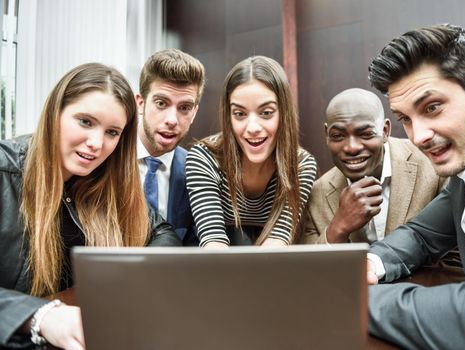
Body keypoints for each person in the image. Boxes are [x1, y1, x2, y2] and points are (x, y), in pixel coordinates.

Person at [0, 63, 181, 350]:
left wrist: (132, 279)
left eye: (112, 132)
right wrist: (41, 317)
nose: (97, 143)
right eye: (85, 121)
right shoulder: (4, 171)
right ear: (54, 113)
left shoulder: (106, 181)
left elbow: (161, 232)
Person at [366, 24, 465, 349]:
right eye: (405, 119)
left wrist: (358, 299)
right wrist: (371, 263)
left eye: (432, 107)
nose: (417, 136)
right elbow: (421, 234)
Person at [186, 55, 317, 247]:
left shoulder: (300, 165)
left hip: (271, 270)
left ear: (284, 113)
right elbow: (213, 243)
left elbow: (277, 241)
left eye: (266, 113)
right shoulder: (204, 157)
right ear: (228, 116)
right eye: (240, 114)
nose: (253, 127)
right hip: (216, 270)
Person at [301, 88, 446, 244]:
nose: (351, 148)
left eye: (365, 134)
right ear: (327, 135)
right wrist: (338, 228)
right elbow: (311, 266)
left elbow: (455, 255)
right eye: (338, 136)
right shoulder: (316, 194)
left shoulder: (432, 164)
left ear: (384, 131)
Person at [136, 49, 205, 245]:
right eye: (161, 103)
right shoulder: (105, 157)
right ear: (140, 104)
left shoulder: (197, 173)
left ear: (194, 112)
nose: (172, 120)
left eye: (184, 108)